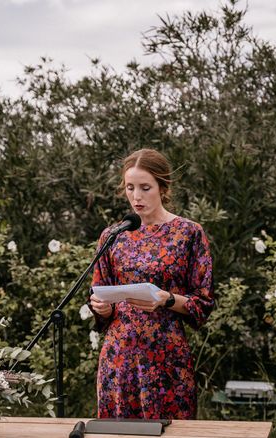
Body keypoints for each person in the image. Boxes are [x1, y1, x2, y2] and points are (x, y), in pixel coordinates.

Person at [89, 148, 214, 419]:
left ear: (162, 187)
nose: (136, 196)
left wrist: (167, 299)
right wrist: (101, 308)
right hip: (119, 357)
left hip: (166, 355)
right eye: (130, 188)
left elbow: (203, 303)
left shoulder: (188, 233)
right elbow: (101, 293)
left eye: (145, 187)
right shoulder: (112, 236)